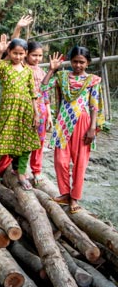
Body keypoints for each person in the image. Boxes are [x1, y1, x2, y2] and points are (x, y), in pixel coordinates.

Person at [43, 47, 104, 214]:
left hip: (83, 122)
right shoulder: (62, 77)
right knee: (60, 161)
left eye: (82, 62)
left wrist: (92, 128)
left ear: (88, 63)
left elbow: (94, 105)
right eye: (75, 61)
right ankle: (64, 194)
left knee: (80, 162)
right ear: (70, 61)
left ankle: (74, 198)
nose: (78, 65)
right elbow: (43, 88)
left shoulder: (92, 80)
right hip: (63, 121)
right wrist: (51, 70)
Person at [0, 35, 41, 190]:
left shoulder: (27, 72)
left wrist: (36, 113)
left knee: (25, 145)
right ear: (10, 52)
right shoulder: (4, 67)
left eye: (21, 54)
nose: (18, 57)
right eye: (15, 53)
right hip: (8, 112)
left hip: (25, 112)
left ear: (25, 53)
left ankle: (21, 174)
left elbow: (32, 93)